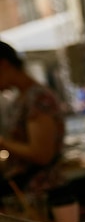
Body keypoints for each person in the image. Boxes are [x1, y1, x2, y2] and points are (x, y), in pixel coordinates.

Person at [0, 41, 65, 202]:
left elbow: (42, 154)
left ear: (3, 64)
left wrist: (3, 143)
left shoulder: (38, 98)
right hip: (25, 192)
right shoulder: (19, 99)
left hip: (41, 192)